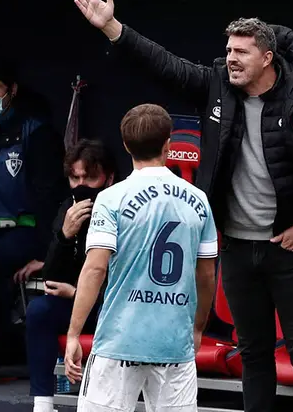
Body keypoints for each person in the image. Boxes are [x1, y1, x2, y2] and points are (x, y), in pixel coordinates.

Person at [72, 0, 293, 411]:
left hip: (290, 247)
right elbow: (165, 66)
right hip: (238, 246)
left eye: (241, 52)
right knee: (254, 354)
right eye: (228, 50)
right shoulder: (217, 85)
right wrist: (113, 28)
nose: (231, 60)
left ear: (267, 57)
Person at [63, 104, 217, 412]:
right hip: (174, 343)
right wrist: (198, 328)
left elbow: (94, 268)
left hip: (119, 340)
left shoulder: (110, 198)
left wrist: (74, 333)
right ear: (168, 143)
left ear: (125, 145)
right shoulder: (199, 200)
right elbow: (207, 275)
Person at [0, 57, 68, 363]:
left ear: (11, 91)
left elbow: (51, 197)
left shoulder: (35, 131)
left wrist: (47, 254)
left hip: (25, 230)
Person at [26, 139, 115, 412]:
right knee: (39, 309)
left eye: (90, 177)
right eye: (75, 178)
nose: (82, 185)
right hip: (77, 305)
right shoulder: (69, 207)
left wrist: (78, 294)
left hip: (113, 307)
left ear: (109, 178)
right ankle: (42, 403)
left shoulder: (121, 207)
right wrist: (64, 236)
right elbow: (52, 274)